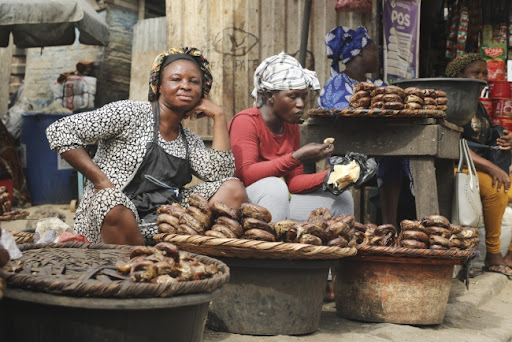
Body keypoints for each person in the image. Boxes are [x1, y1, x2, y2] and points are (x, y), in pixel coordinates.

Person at [46, 47, 246, 245]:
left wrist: (218, 116)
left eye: (194, 81)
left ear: (203, 91)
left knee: (233, 188)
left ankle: (187, 257)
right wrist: (101, 182)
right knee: (109, 198)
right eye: (176, 79)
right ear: (158, 86)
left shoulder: (189, 140)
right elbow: (59, 131)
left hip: (165, 223)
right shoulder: (129, 113)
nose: (185, 86)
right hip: (113, 222)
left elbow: (221, 176)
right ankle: (139, 264)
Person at [229, 52, 354, 223]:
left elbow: (293, 182)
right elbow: (247, 174)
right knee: (274, 186)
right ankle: (269, 248)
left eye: (303, 96)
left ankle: (329, 247)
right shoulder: (245, 121)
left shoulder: (291, 125)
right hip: (245, 201)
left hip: (279, 200)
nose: (301, 103)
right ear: (271, 96)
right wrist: (297, 157)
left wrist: (331, 176)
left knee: (341, 197)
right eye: (293, 96)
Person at [318, 25, 412, 228]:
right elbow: (348, 121)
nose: (377, 53)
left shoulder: (380, 85)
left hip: (379, 151)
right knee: (384, 158)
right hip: (346, 151)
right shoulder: (337, 85)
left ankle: (390, 226)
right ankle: (338, 224)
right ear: (359, 52)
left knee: (397, 158)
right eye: (372, 49)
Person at [446, 53, 512, 278]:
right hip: (456, 167)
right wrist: (493, 168)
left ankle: (510, 255)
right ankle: (493, 255)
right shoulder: (452, 102)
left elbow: (483, 138)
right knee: (497, 189)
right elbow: (454, 146)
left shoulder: (478, 105)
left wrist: (505, 138)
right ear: (459, 75)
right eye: (476, 72)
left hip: (476, 166)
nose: (483, 77)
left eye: (485, 72)